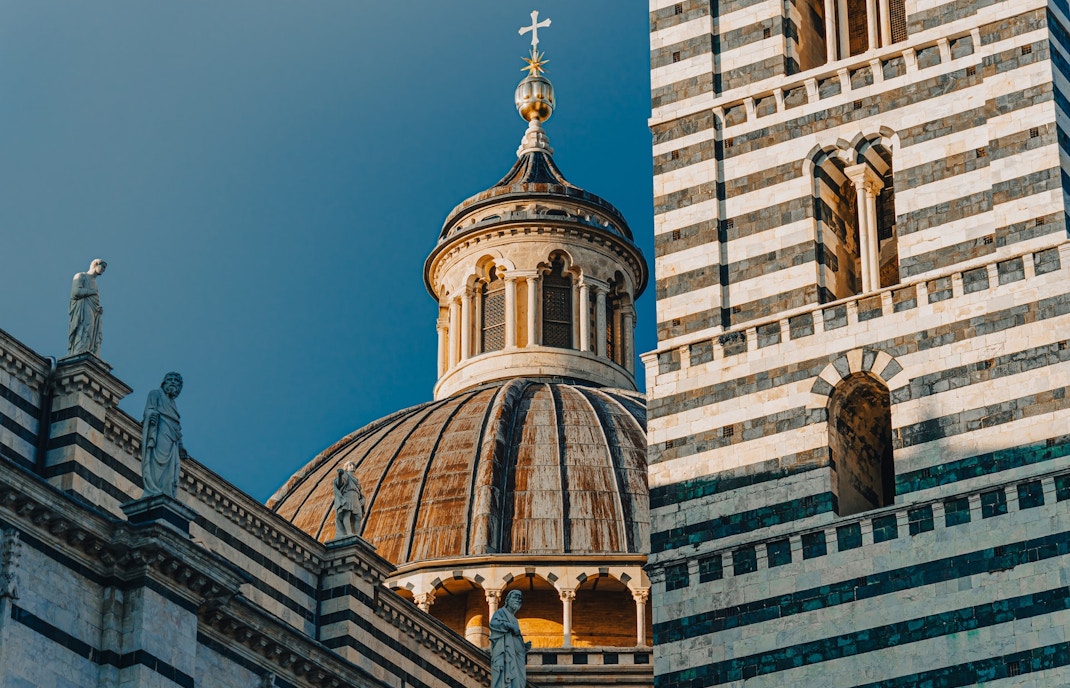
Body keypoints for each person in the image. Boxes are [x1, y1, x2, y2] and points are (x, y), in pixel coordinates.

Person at [141, 372, 184, 498]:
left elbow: (177, 426)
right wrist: (151, 415)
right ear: (164, 382)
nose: (172, 382)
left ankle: (166, 491)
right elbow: (149, 410)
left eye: (176, 381)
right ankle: (153, 488)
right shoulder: (155, 393)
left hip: (172, 439)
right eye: (169, 379)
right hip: (160, 430)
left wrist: (181, 446)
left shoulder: (173, 404)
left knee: (171, 469)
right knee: (157, 461)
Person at [490, 589, 531, 688]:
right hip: (505, 655)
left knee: (518, 681)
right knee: (505, 679)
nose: (517, 600)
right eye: (515, 597)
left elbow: (514, 638)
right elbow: (493, 624)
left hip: (516, 658)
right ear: (507, 600)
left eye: (519, 598)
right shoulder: (500, 613)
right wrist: (510, 626)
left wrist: (523, 647)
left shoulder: (515, 619)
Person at [67, 259, 107, 357]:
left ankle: (88, 352)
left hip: (93, 310)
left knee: (91, 332)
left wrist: (98, 309)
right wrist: (91, 292)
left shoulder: (95, 283)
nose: (103, 270)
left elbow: (94, 300)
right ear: (96, 265)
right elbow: (76, 292)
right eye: (103, 267)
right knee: (85, 328)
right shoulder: (81, 276)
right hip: (83, 308)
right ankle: (79, 352)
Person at [333, 461, 366, 538]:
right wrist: (340, 475)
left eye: (354, 465)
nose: (352, 467)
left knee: (358, 516)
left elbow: (361, 492)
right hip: (348, 495)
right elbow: (339, 483)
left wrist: (363, 499)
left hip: (356, 498)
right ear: (346, 468)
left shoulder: (356, 480)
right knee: (347, 513)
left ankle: (357, 534)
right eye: (350, 465)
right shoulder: (345, 475)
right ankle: (348, 532)